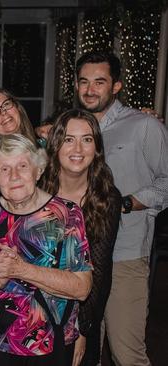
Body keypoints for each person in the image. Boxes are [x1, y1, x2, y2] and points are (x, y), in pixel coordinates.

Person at [73, 51, 168, 366]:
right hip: (79, 258)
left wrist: (125, 203)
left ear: (116, 86)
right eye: (84, 81)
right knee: (83, 353)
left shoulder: (143, 126)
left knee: (126, 354)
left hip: (124, 256)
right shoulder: (74, 128)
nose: (90, 89)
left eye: (99, 82)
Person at [0, 134, 92, 365]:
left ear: (38, 171)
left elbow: (81, 288)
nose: (14, 176)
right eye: (4, 169)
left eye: (22, 166)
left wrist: (21, 269)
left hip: (47, 345)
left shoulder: (66, 215)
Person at [40, 109, 122, 366]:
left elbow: (98, 272)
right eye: (68, 139)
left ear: (96, 147)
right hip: (36, 308)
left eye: (87, 139)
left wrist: (83, 329)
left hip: (82, 308)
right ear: (55, 145)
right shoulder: (36, 187)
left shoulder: (106, 198)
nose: (78, 148)